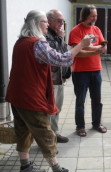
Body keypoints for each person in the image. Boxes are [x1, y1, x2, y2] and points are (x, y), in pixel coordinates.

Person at [5, 10, 93, 172]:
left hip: (16, 95)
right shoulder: (37, 44)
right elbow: (62, 59)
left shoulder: (20, 42)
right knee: (46, 134)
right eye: (45, 22)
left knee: (24, 132)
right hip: (30, 98)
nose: (47, 25)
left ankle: (25, 168)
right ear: (37, 24)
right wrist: (81, 45)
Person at [68, 4, 107, 137]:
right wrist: (96, 50)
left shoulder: (96, 29)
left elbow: (103, 45)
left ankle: (97, 123)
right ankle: (80, 126)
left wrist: (101, 48)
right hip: (80, 72)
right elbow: (77, 52)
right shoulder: (76, 31)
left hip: (96, 70)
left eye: (96, 15)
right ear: (85, 16)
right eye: (93, 15)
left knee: (97, 100)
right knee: (80, 101)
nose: (95, 18)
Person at [45, 9, 70, 143]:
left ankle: (54, 133)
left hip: (59, 79)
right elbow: (54, 55)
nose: (62, 23)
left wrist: (66, 73)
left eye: (62, 21)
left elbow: (65, 53)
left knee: (57, 108)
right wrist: (60, 38)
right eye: (59, 20)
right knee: (49, 109)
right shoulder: (45, 35)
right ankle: (48, 138)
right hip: (50, 80)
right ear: (49, 21)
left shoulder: (57, 33)